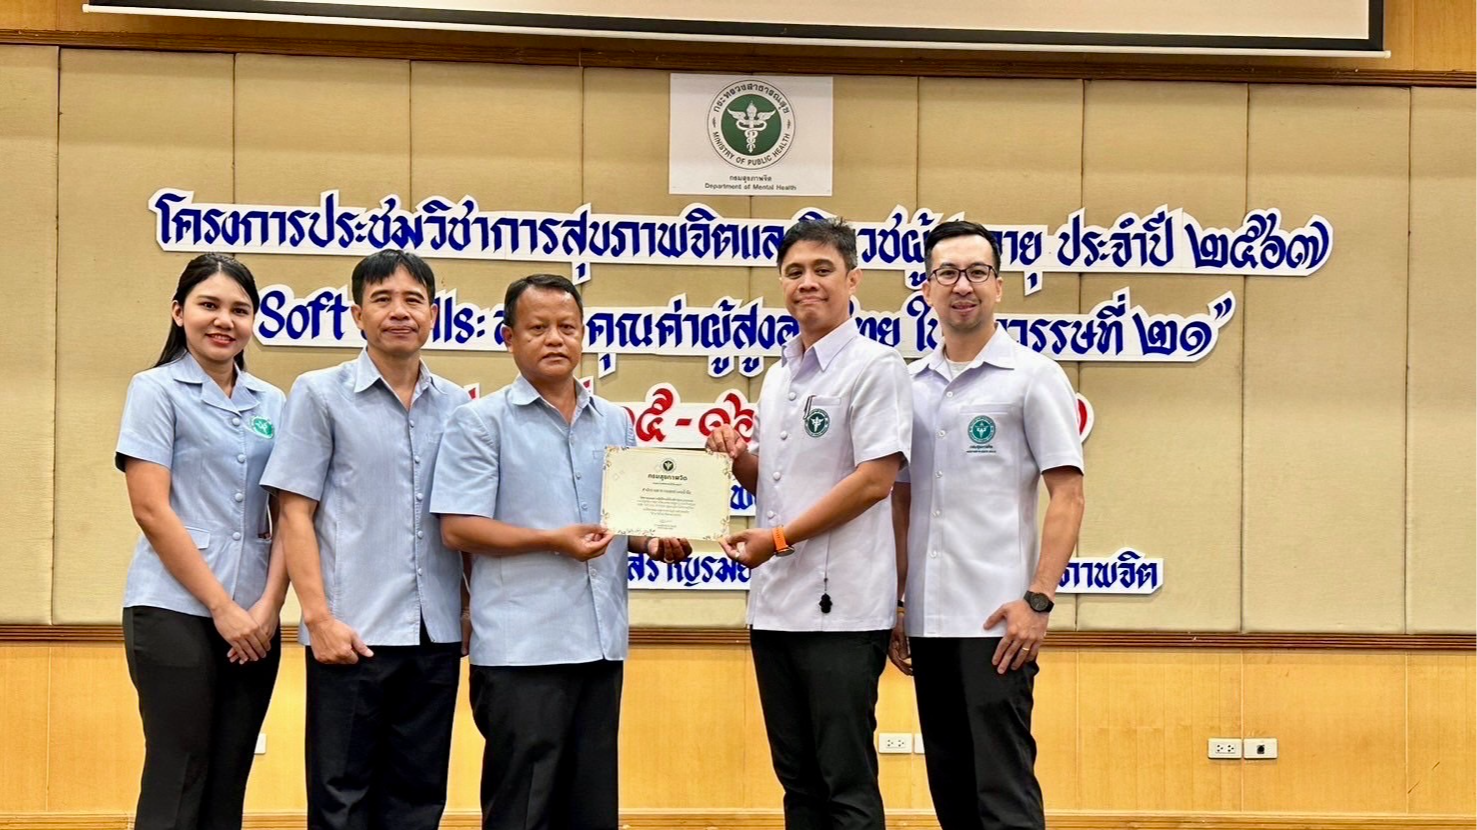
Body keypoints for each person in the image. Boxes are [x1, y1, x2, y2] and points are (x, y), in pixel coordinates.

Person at [432, 273, 691, 830]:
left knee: (592, 808)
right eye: (538, 328)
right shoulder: (481, 422)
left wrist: (654, 540)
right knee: (522, 809)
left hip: (600, 645)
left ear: (583, 336)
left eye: (567, 328)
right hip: (522, 651)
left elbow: (623, 518)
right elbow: (458, 528)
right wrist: (552, 540)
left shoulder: (616, 420)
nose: (555, 339)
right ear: (509, 338)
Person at [706, 218, 912, 830]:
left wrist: (777, 540)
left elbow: (875, 480)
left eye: (823, 270)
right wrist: (740, 460)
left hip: (843, 612)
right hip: (773, 608)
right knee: (797, 780)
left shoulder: (876, 367)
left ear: (853, 279)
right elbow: (780, 486)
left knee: (844, 781)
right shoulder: (778, 374)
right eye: (794, 272)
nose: (807, 283)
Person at [261, 250, 469, 830]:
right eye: (382, 299)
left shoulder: (458, 405)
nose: (398, 312)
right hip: (351, 634)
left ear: (433, 313)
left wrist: (471, 609)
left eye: (412, 300)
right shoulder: (320, 393)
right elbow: (293, 511)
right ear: (357, 314)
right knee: (341, 800)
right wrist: (318, 617)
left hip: (435, 633)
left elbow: (464, 517)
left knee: (419, 798)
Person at [889, 221, 1086, 830]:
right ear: (925, 289)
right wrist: (897, 604)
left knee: (1003, 793)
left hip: (999, 621)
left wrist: (1039, 601)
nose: (962, 286)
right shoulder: (910, 385)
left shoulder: (1032, 376)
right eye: (947, 273)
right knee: (951, 790)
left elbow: (1069, 495)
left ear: (999, 287)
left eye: (976, 272)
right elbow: (901, 501)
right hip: (928, 621)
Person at [116, 252, 287, 830]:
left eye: (240, 309)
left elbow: (291, 513)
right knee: (179, 765)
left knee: (230, 770)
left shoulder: (274, 403)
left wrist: (265, 609)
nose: (224, 320)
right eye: (209, 305)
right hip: (174, 608)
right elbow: (150, 508)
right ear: (179, 311)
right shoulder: (156, 389)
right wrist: (223, 608)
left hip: (254, 616)